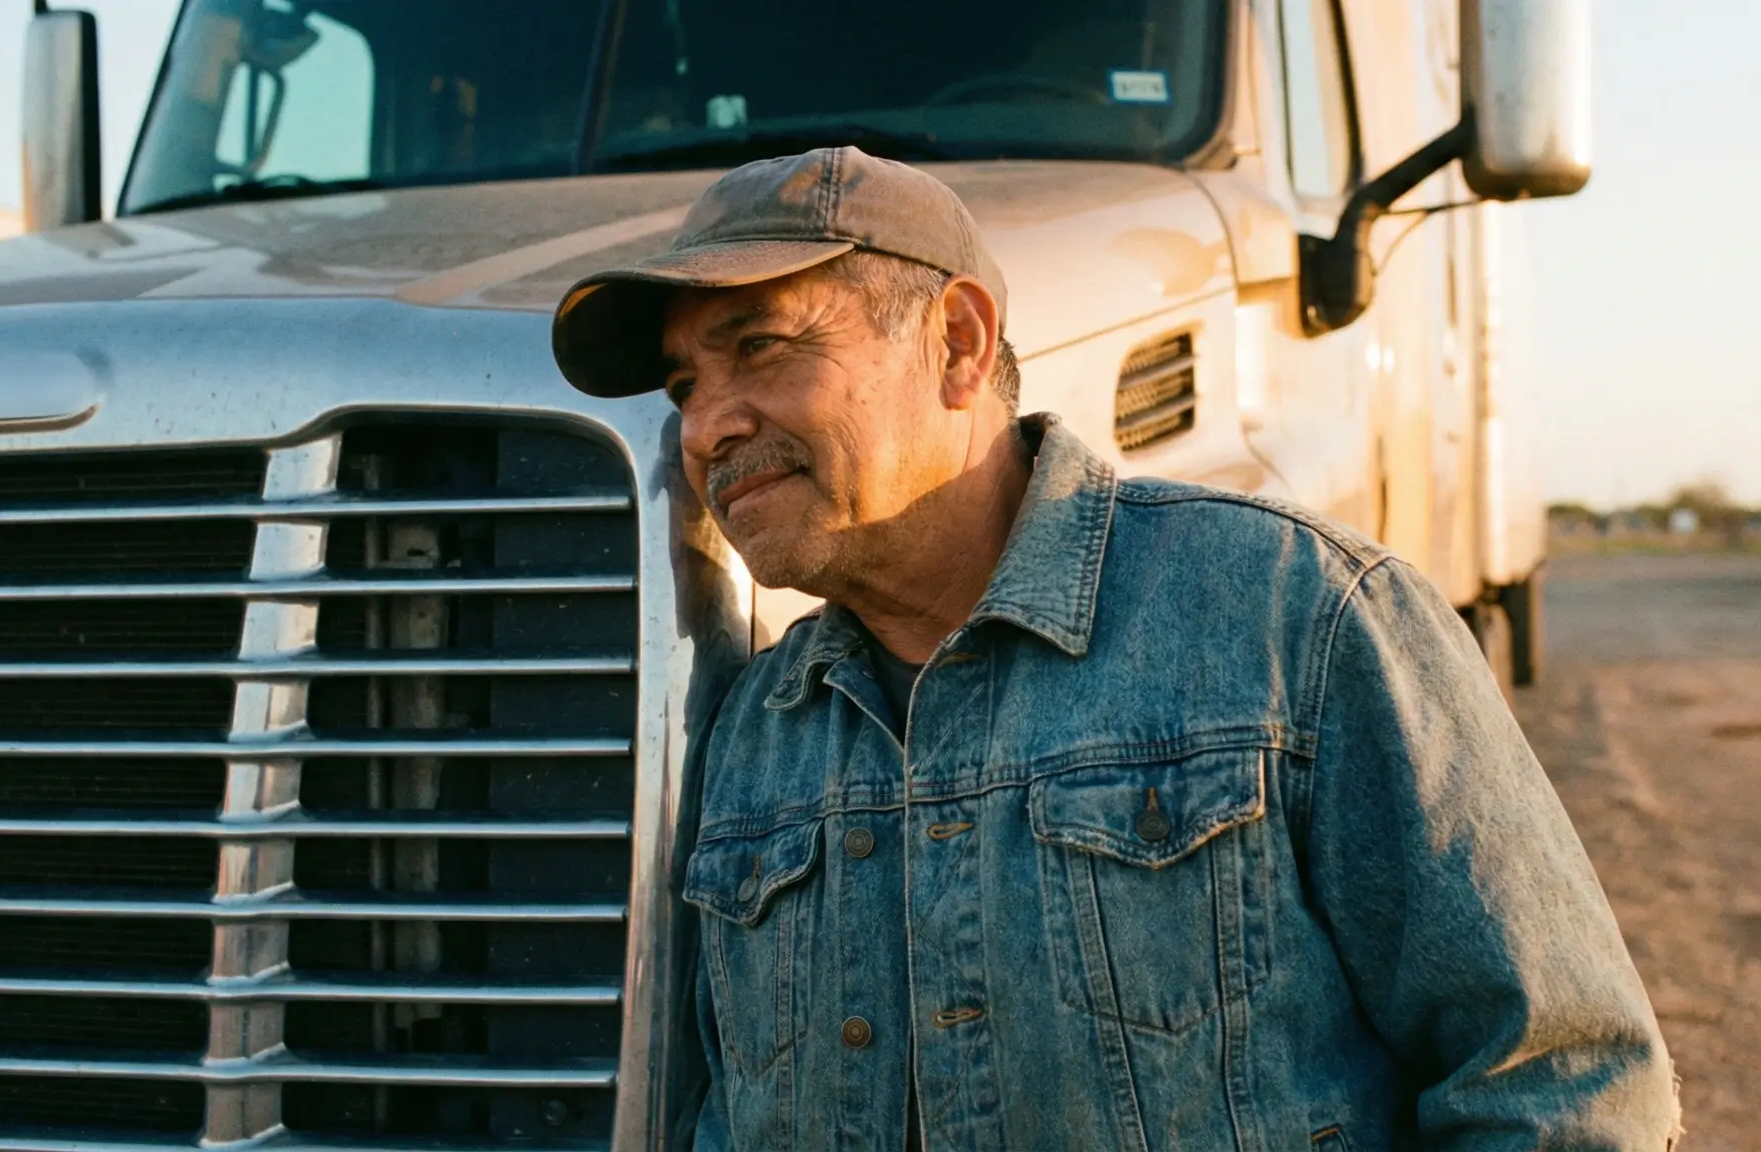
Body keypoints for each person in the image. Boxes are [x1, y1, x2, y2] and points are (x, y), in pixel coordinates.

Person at [552, 147, 1681, 1151]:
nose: (704, 430)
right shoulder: (760, 729)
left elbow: (1561, 1085)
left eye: (761, 347)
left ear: (955, 341)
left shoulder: (1293, 616)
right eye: (688, 388)